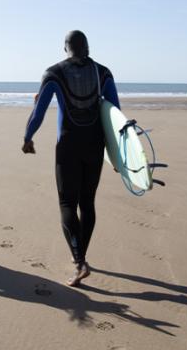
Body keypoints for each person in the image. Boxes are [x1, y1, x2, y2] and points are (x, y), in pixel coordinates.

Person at [22, 30, 120, 286]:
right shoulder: (104, 73)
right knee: (87, 203)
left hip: (68, 145)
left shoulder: (53, 73)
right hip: (94, 145)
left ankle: (79, 262)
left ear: (65, 47)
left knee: (67, 202)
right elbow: (115, 114)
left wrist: (27, 137)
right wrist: (119, 156)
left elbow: (39, 113)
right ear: (88, 46)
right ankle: (82, 257)